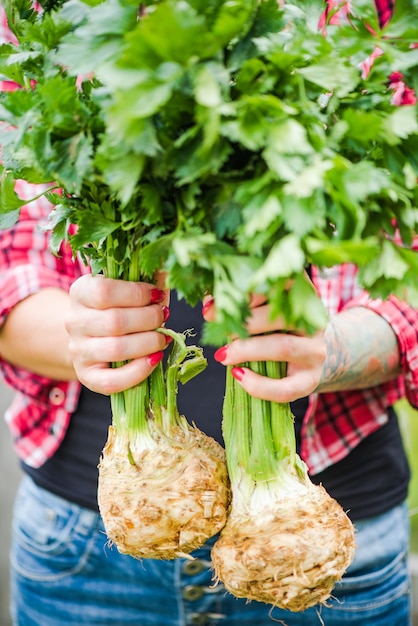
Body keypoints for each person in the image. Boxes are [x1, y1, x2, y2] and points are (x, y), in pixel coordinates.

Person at [1, 4, 417, 626]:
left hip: (318, 525)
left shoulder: (372, 13)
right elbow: (13, 269)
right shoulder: (51, 12)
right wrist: (83, 336)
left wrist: (333, 348)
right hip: (82, 541)